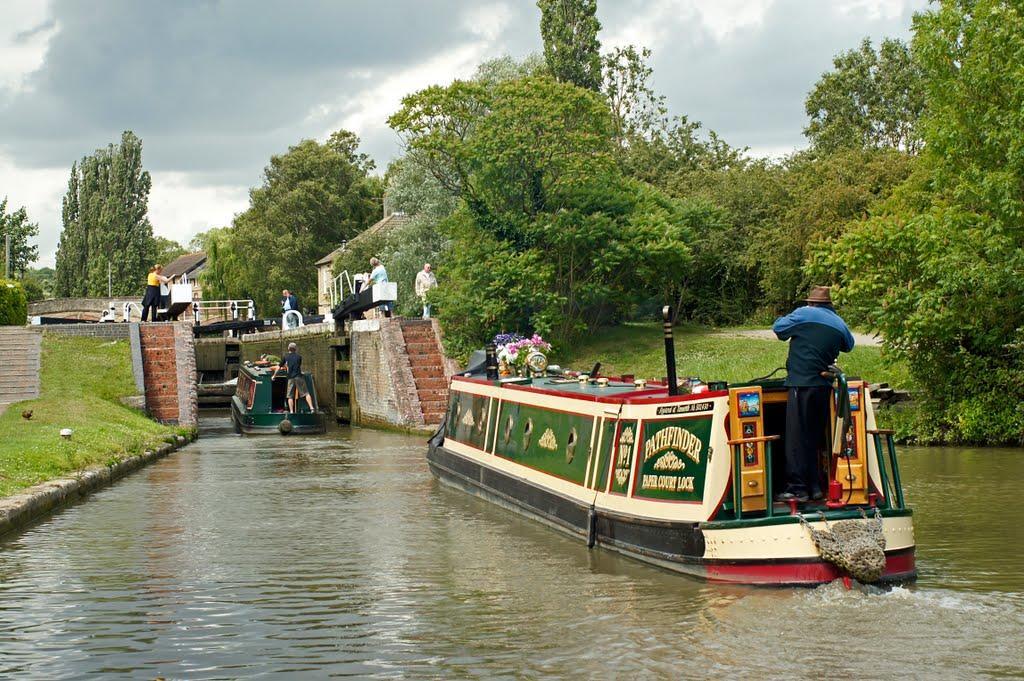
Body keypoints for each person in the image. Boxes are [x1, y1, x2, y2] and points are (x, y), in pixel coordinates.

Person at [772, 285, 855, 503]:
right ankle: (816, 487)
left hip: (801, 383)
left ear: (811, 302)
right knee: (813, 438)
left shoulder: (803, 314)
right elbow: (849, 345)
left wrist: (793, 316)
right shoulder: (839, 323)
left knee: (796, 438)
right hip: (824, 386)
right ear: (829, 305)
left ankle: (797, 489)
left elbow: (779, 329)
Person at [272, 342, 315, 414]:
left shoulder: (286, 357)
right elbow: (297, 366)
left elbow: (278, 367)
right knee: (306, 393)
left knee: (290, 396)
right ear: (295, 349)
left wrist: (274, 376)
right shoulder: (299, 357)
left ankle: (291, 412)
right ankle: (312, 408)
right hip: (298, 376)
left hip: (290, 378)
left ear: (288, 348)